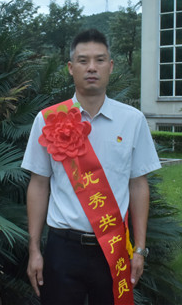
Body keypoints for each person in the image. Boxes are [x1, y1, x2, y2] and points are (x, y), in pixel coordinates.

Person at [22, 28, 161, 305]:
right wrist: (34, 249)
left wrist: (140, 249)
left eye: (100, 60)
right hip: (63, 248)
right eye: (83, 61)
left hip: (113, 248)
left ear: (111, 66)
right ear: (70, 68)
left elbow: (138, 185)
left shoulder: (132, 120)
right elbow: (38, 185)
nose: (92, 68)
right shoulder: (48, 119)